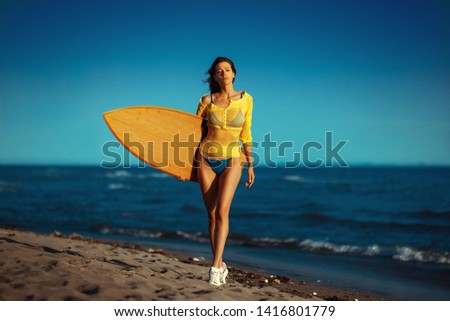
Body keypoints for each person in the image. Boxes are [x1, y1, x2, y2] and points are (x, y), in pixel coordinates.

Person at [195, 57, 254, 286]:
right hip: (206, 159)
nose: (224, 74)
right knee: (210, 215)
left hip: (233, 158)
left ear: (234, 73)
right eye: (219, 72)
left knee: (222, 212)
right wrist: (180, 168)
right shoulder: (206, 100)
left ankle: (215, 267)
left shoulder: (247, 100)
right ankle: (219, 264)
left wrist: (250, 165)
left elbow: (246, 134)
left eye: (227, 70)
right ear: (215, 76)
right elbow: (192, 133)